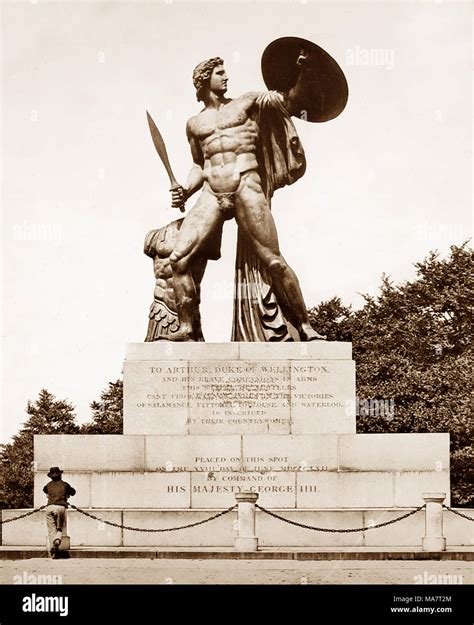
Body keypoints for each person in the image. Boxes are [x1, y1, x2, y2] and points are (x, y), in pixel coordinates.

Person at [169, 56, 326, 342]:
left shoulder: (249, 102)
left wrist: (304, 69)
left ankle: (305, 326)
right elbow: (199, 165)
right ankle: (186, 327)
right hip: (212, 193)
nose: (226, 77)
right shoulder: (194, 124)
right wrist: (186, 189)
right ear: (205, 81)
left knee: (273, 261)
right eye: (220, 73)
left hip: (246, 184)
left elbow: (291, 101)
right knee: (178, 261)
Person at [43, 466, 76, 559]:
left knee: (51, 530)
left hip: (49, 507)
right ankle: (57, 540)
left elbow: (45, 490)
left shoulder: (48, 485)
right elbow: (73, 492)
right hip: (61, 507)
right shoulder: (65, 485)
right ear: (60, 475)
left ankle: (54, 551)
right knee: (59, 528)